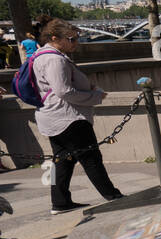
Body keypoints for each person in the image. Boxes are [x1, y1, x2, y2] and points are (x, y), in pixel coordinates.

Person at [29, 19, 125, 215]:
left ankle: (60, 202)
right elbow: (64, 91)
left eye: (76, 38)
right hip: (68, 118)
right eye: (71, 39)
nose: (76, 43)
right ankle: (113, 196)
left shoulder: (42, 55)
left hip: (54, 117)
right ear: (55, 38)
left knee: (63, 160)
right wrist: (95, 96)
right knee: (91, 158)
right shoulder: (54, 59)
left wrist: (88, 87)